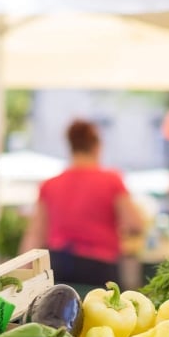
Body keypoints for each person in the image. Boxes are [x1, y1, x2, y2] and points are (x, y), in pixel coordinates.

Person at [21, 119, 143, 286]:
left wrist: (23, 274)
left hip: (59, 264)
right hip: (100, 267)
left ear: (71, 147)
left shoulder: (50, 184)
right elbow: (135, 224)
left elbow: (35, 234)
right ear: (96, 147)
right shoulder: (111, 180)